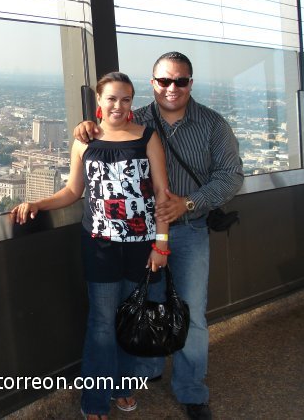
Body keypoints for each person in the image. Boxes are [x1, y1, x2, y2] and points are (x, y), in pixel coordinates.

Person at [73, 52, 244, 420]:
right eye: (164, 81)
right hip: (142, 239)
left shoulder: (212, 125)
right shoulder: (139, 120)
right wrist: (87, 126)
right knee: (142, 309)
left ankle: (191, 392)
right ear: (152, 83)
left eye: (180, 81)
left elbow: (231, 175)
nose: (172, 88)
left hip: (190, 230)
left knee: (192, 313)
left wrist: (191, 202)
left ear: (190, 84)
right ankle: (140, 375)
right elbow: (106, 130)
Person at [11, 72, 171, 420]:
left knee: (133, 319)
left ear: (132, 103)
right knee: (101, 323)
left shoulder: (147, 138)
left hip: (141, 244)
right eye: (111, 98)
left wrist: (162, 244)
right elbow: (72, 192)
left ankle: (125, 386)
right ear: (99, 102)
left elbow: (161, 195)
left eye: (125, 99)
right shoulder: (85, 141)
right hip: (99, 245)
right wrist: (38, 204)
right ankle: (96, 399)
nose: (118, 105)